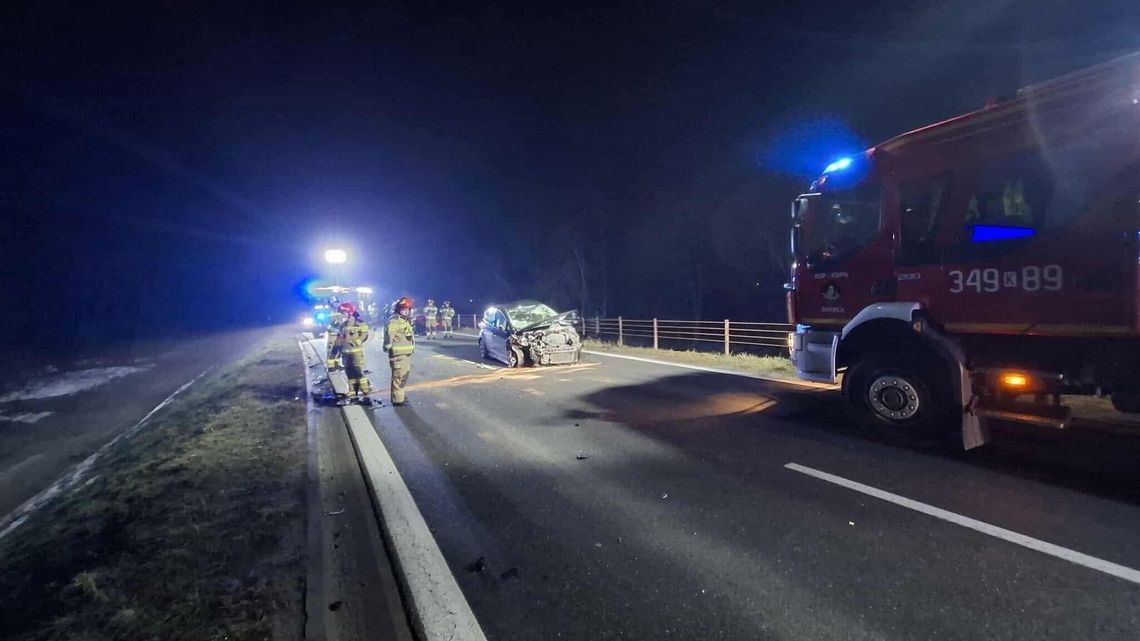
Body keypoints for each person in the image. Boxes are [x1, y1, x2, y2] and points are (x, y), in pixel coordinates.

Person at [383, 296, 416, 406]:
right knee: (398, 377)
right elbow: (389, 335)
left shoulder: (404, 320)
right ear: (398, 309)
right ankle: (397, 400)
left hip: (405, 354)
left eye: (407, 310)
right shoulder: (394, 320)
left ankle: (399, 397)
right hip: (397, 355)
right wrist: (387, 346)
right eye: (403, 309)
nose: (406, 312)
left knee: (404, 376)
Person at [337, 304, 372, 402]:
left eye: (343, 313)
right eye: (341, 313)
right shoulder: (342, 325)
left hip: (356, 352)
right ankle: (352, 391)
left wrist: (359, 341)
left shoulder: (358, 323)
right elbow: (339, 338)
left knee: (358, 371)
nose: (341, 315)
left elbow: (365, 333)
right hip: (345, 353)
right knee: (349, 372)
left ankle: (365, 389)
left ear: (349, 313)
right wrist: (338, 351)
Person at [325, 297, 346, 370]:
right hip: (333, 334)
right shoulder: (329, 312)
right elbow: (329, 323)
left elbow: (343, 320)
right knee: (332, 349)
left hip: (340, 334)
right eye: (335, 303)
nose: (337, 304)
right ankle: (330, 366)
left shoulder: (340, 311)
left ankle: (336, 364)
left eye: (337, 302)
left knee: (339, 349)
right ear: (331, 304)